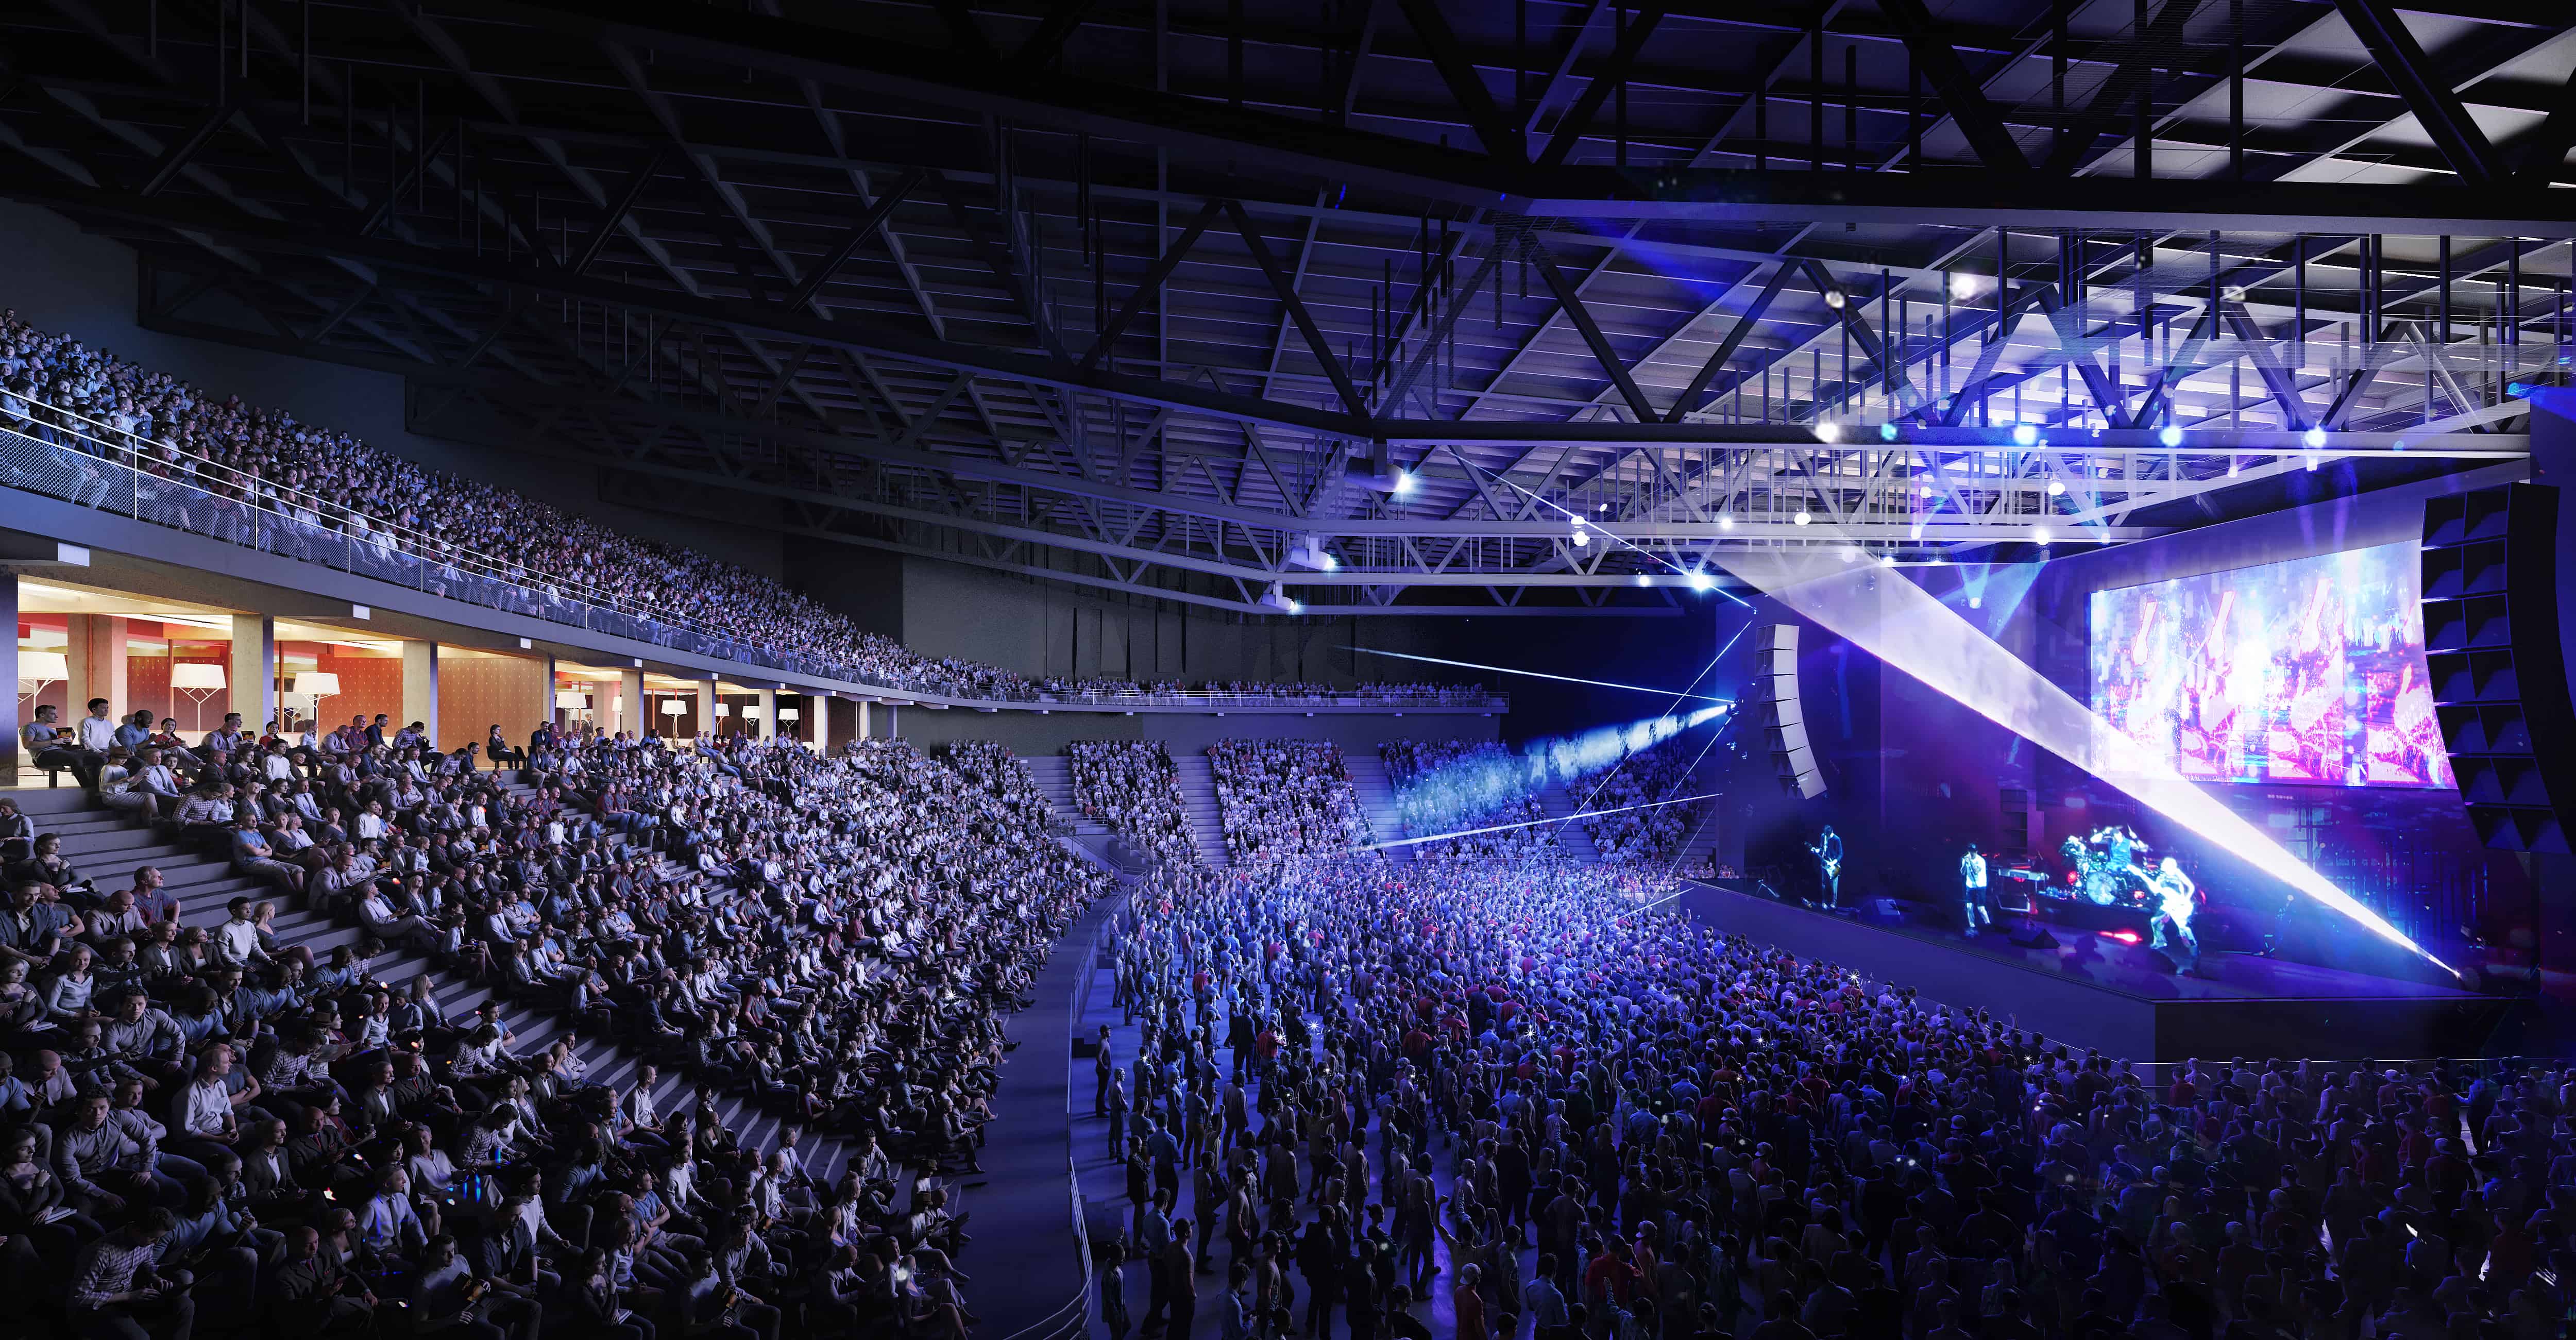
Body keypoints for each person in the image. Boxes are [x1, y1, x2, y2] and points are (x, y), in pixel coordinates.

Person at [68, 1207, 195, 1340]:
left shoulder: (147, 1241)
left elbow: (147, 1264)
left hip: (132, 1296)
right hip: (102, 1306)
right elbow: (79, 1298)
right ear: (137, 1230)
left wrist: (156, 1278)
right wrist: (129, 1296)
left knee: (185, 1305)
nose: (156, 1242)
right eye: (153, 1238)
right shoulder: (100, 1253)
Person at [2147, 856, 2200, 974]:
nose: (2162, 865)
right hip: (2168, 903)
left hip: (2180, 905)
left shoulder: (2178, 873)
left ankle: (2194, 953)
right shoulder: (2161, 877)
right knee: (2155, 921)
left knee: (2183, 930)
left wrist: (2186, 899)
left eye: (2165, 863)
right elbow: (2156, 890)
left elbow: (2191, 887)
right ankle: (2160, 942)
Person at [1959, 841, 1991, 933]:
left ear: (1976, 852)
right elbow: (1963, 873)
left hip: (1980, 886)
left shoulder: (1981, 861)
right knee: (1969, 907)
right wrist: (1964, 864)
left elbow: (1976, 871)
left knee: (1981, 908)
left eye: (1972, 851)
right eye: (1969, 851)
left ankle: (1988, 923)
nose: (1970, 853)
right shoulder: (1965, 859)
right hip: (1970, 886)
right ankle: (1972, 926)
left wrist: (1970, 863)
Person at [1809, 824, 1842, 907]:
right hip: (1824, 864)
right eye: (1826, 836)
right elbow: (1822, 849)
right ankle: (1824, 902)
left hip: (1834, 866)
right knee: (1824, 884)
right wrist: (1816, 850)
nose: (1827, 838)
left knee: (1834, 886)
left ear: (1831, 833)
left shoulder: (1836, 839)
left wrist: (1833, 863)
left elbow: (1840, 854)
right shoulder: (1823, 836)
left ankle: (1834, 903)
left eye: (1828, 836)